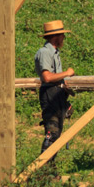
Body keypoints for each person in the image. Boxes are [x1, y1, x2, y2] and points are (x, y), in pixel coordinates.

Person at [33, 20, 76, 158]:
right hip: (50, 95)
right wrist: (67, 73)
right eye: (62, 35)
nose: (64, 38)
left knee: (56, 134)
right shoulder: (45, 52)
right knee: (52, 133)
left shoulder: (54, 53)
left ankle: (49, 170)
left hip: (56, 93)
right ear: (55, 36)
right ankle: (44, 171)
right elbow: (47, 77)